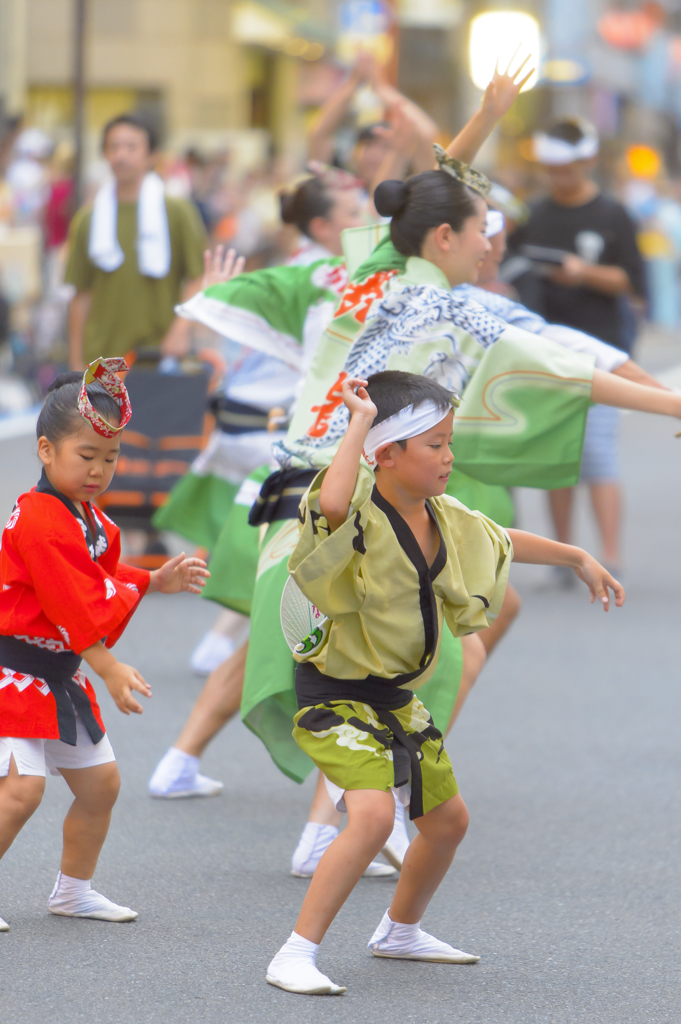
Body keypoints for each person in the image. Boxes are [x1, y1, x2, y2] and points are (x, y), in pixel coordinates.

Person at [265, 369, 624, 995]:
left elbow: (499, 538)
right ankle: (294, 952)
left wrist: (576, 555)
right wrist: (357, 422)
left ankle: (399, 931)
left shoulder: (444, 515)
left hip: (395, 698)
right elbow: (327, 503)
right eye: (435, 445)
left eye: (449, 442)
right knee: (373, 817)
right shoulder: (351, 511)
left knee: (448, 822)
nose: (449, 456)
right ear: (387, 454)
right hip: (334, 698)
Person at [0, 359, 209, 933]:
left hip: (59, 672)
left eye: (110, 459)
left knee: (101, 786)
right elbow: (71, 602)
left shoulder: (89, 518)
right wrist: (109, 666)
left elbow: (101, 577)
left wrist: (151, 578)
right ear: (46, 451)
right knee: (21, 792)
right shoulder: (41, 519)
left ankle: (73, 891)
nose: (99, 470)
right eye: (85, 456)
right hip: (16, 673)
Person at [508, 119, 647, 577]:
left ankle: (611, 555)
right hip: (544, 349)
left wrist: (583, 273)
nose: (557, 176)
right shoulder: (534, 214)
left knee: (599, 453)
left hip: (603, 346)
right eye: (550, 168)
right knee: (556, 457)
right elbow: (509, 267)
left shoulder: (612, 214)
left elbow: (632, 280)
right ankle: (563, 556)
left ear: (587, 162)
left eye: (565, 168)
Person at [65, 113, 207, 370]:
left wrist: (181, 329)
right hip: (101, 360)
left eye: (131, 147)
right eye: (114, 146)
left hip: (159, 356)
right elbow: (81, 293)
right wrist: (76, 360)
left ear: (152, 155)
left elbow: (198, 277)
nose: (121, 155)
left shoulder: (177, 211)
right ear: (104, 154)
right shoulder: (88, 218)